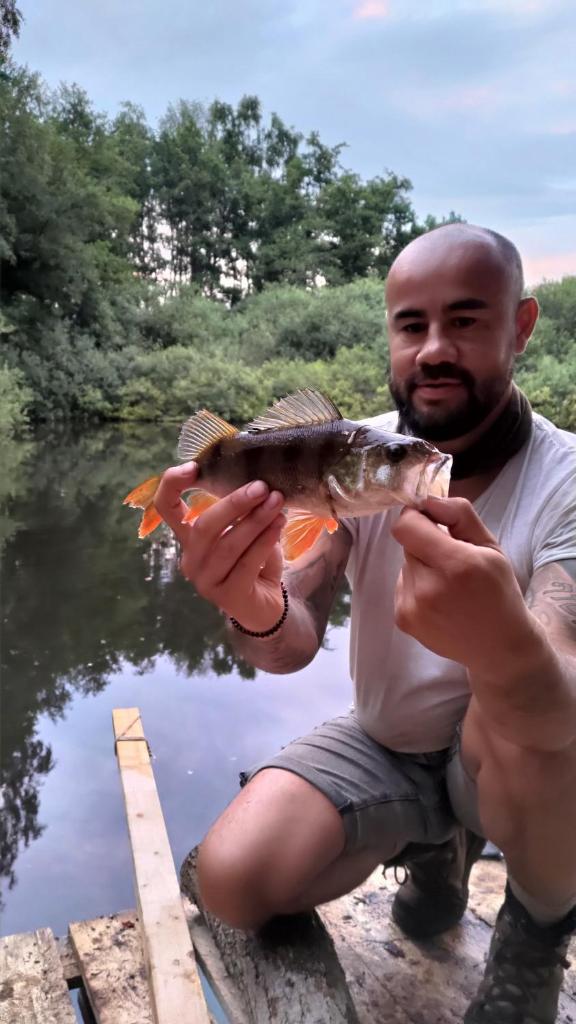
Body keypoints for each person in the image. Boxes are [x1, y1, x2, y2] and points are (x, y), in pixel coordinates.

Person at [154, 224, 576, 1023]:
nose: (434, 348)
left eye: (466, 319)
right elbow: (291, 632)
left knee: (539, 727)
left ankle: (536, 930)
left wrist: (506, 646)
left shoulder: (567, 481)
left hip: (511, 765)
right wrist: (254, 607)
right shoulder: (358, 461)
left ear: (521, 326)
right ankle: (435, 851)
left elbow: (562, 691)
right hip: (389, 741)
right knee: (231, 882)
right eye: (412, 324)